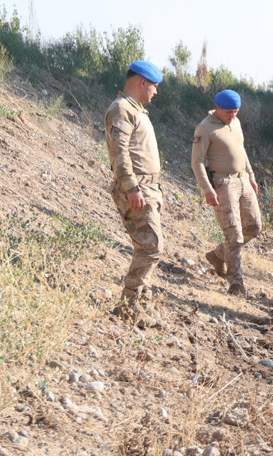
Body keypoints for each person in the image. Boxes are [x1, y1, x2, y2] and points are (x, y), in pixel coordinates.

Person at [104, 60, 164, 326]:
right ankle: (128, 306)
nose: (156, 91)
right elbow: (120, 154)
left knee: (149, 247)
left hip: (148, 188)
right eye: (154, 86)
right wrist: (131, 188)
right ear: (142, 82)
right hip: (138, 189)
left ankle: (141, 304)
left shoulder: (136, 110)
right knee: (151, 247)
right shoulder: (121, 109)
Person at [191, 89, 262, 296]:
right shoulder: (204, 128)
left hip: (243, 180)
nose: (233, 116)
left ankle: (218, 254)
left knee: (255, 226)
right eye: (230, 112)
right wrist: (207, 188)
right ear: (218, 108)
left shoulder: (235, 123)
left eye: (237, 112)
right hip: (223, 184)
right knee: (234, 234)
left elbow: (242, 150)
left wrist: (251, 175)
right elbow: (197, 162)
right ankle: (236, 284)